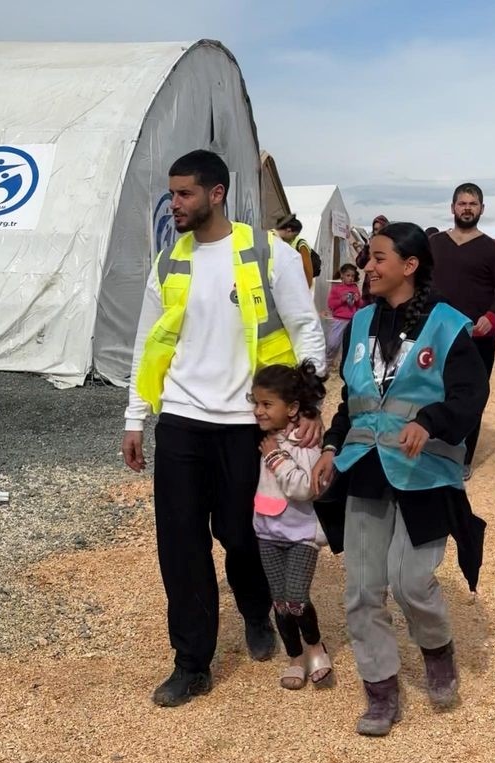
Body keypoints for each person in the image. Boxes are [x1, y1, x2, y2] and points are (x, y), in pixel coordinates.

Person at [123, 150, 326, 707]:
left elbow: (307, 327)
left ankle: (256, 611)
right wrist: (135, 417)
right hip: (183, 422)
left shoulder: (267, 252)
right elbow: (149, 342)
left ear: (216, 193)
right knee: (181, 546)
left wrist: (308, 404)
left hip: (248, 425)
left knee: (241, 536)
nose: (175, 203)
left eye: (184, 193)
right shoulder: (169, 260)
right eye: (171, 194)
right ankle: (192, 663)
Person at [312, 222, 489, 737]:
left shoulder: (447, 325)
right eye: (368, 258)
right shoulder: (360, 322)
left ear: (409, 266)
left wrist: (429, 421)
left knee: (410, 581)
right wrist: (329, 447)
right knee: (364, 590)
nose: (368, 266)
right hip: (366, 470)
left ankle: (437, 652)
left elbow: (469, 397)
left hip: (425, 474)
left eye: (379, 258)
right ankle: (381, 691)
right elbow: (352, 401)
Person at [251, 361, 332, 690]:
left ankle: (315, 646)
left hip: (300, 534)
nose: (258, 411)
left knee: (297, 597)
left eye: (267, 404)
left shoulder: (305, 442)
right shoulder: (267, 434)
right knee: (280, 601)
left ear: (293, 407)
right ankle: (295, 656)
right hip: (267, 531)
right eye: (255, 403)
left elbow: (305, 488)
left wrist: (275, 458)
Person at [430, 183, 495, 479]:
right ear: (452, 207)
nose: (467, 208)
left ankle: (463, 455)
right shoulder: (435, 244)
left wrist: (491, 317)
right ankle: (432, 449)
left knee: (471, 395)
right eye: (462, 203)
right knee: (432, 391)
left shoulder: (492, 250)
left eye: (473, 203)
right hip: (436, 335)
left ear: (481, 209)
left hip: (477, 339)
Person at [326, 263, 363, 364]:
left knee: (350, 344)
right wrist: (341, 300)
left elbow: (360, 305)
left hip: (352, 321)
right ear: (342, 275)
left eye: (352, 276)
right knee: (333, 344)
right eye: (348, 275)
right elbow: (331, 305)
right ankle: (327, 363)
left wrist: (357, 300)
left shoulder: (355, 288)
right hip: (339, 320)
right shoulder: (336, 289)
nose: (351, 278)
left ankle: (346, 364)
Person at [275, 213, 315, 288]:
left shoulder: (300, 244)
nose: (293, 239)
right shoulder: (276, 241)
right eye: (294, 235)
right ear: (289, 230)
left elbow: (308, 273)